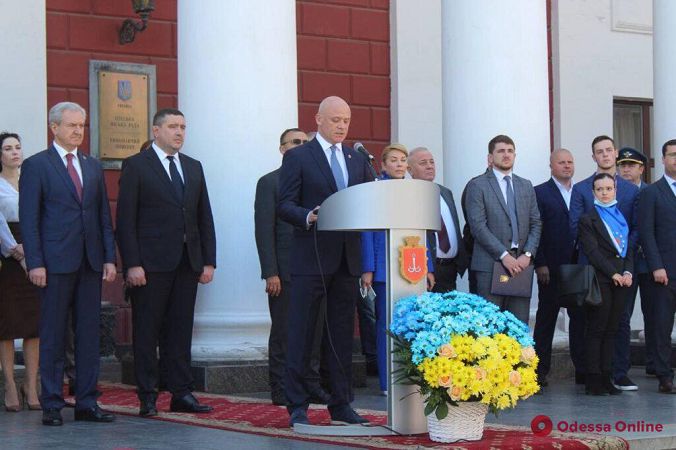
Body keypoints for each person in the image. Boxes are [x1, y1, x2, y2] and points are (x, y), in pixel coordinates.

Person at [278, 96, 374, 427]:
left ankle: (340, 403)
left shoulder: (357, 159)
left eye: (346, 120)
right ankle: (298, 404)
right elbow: (284, 204)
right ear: (318, 119)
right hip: (311, 257)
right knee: (303, 332)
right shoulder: (298, 156)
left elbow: (366, 202)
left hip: (346, 260)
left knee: (341, 335)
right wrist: (308, 216)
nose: (341, 126)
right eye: (334, 119)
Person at [19, 102, 117, 425]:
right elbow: (30, 219)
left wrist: (108, 257)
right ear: (54, 127)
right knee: (54, 333)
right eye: (72, 125)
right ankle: (51, 403)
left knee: (89, 335)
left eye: (82, 125)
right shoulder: (37, 166)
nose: (78, 131)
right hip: (54, 264)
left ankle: (87, 401)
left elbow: (103, 215)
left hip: (89, 262)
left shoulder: (91, 165)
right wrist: (35, 262)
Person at [116, 108, 217, 417]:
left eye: (183, 127)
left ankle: (181, 393)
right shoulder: (137, 166)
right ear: (155, 131)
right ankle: (148, 395)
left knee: (181, 331)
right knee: (147, 331)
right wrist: (132, 263)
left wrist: (208, 261)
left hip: (187, 263)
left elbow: (204, 217)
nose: (179, 132)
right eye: (173, 126)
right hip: (150, 265)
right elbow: (125, 220)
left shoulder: (193, 166)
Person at [254, 128, 331, 406]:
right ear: (282, 148)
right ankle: (280, 386)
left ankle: (310, 384)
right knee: (284, 331)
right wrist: (270, 271)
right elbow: (264, 230)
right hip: (284, 272)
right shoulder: (269, 182)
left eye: (305, 143)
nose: (301, 146)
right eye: (295, 142)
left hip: (315, 268)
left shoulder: (313, 182)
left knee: (314, 331)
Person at [360, 144, 434, 395]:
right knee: (387, 323)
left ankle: (412, 378)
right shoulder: (376, 190)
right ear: (383, 165)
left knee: (412, 322)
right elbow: (367, 230)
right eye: (394, 160)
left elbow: (422, 229)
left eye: (403, 160)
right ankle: (387, 381)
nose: (400, 164)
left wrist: (429, 266)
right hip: (384, 267)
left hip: (412, 264)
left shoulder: (415, 190)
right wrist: (368, 267)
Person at [569, 135, 639, 389]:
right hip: (596, 271)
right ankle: (592, 376)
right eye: (600, 151)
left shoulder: (630, 190)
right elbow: (576, 229)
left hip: (623, 270)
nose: (605, 155)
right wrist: (610, 268)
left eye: (609, 150)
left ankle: (617, 373)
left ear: (615, 153)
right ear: (594, 156)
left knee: (619, 323)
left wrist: (626, 268)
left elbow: (635, 229)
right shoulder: (581, 189)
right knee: (595, 325)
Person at [465, 135, 542, 324]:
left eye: (510, 151)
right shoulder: (478, 185)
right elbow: (478, 226)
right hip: (490, 265)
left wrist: (528, 254)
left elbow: (536, 222)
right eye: (500, 151)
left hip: (521, 265)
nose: (506, 155)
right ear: (490, 158)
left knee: (518, 326)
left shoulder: (526, 185)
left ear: (515, 155)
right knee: (489, 327)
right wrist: (503, 255)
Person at [532, 149, 585, 387]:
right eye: (561, 162)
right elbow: (536, 230)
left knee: (580, 319)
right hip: (550, 267)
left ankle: (582, 369)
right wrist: (540, 262)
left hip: (577, 266)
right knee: (546, 319)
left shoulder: (582, 191)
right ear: (551, 165)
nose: (566, 166)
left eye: (570, 162)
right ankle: (539, 371)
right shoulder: (540, 193)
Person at [578, 173, 634, 396]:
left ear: (615, 190)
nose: (604, 193)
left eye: (608, 189)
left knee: (612, 330)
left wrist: (627, 271)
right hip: (601, 279)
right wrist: (613, 273)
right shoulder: (588, 219)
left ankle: (607, 376)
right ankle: (593, 379)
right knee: (597, 329)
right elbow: (592, 251)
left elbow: (627, 249)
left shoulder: (621, 217)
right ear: (593, 193)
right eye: (600, 189)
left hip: (622, 280)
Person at [0, 132, 41, 412]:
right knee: (7, 326)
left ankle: (31, 384)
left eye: (18, 147)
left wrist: (33, 249)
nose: (15, 152)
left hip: (34, 251)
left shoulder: (31, 180)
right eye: (8, 148)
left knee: (33, 326)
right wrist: (15, 250)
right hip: (8, 258)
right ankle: (11, 385)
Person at [638, 139, 676, 394]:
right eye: (672, 155)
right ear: (662, 159)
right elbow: (646, 233)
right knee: (662, 326)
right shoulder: (652, 192)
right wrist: (656, 266)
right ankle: (665, 376)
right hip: (665, 272)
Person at [616, 147, 656, 380]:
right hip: (625, 263)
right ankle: (621, 365)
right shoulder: (612, 192)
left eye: (631, 165)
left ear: (641, 168)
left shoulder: (653, 192)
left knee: (654, 314)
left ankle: (653, 361)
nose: (626, 169)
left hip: (651, 263)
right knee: (623, 314)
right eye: (623, 165)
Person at [407, 147, 468, 293]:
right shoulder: (408, 194)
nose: (429, 166)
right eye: (423, 163)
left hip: (450, 269)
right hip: (427, 269)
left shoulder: (445, 192)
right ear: (410, 170)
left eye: (432, 162)